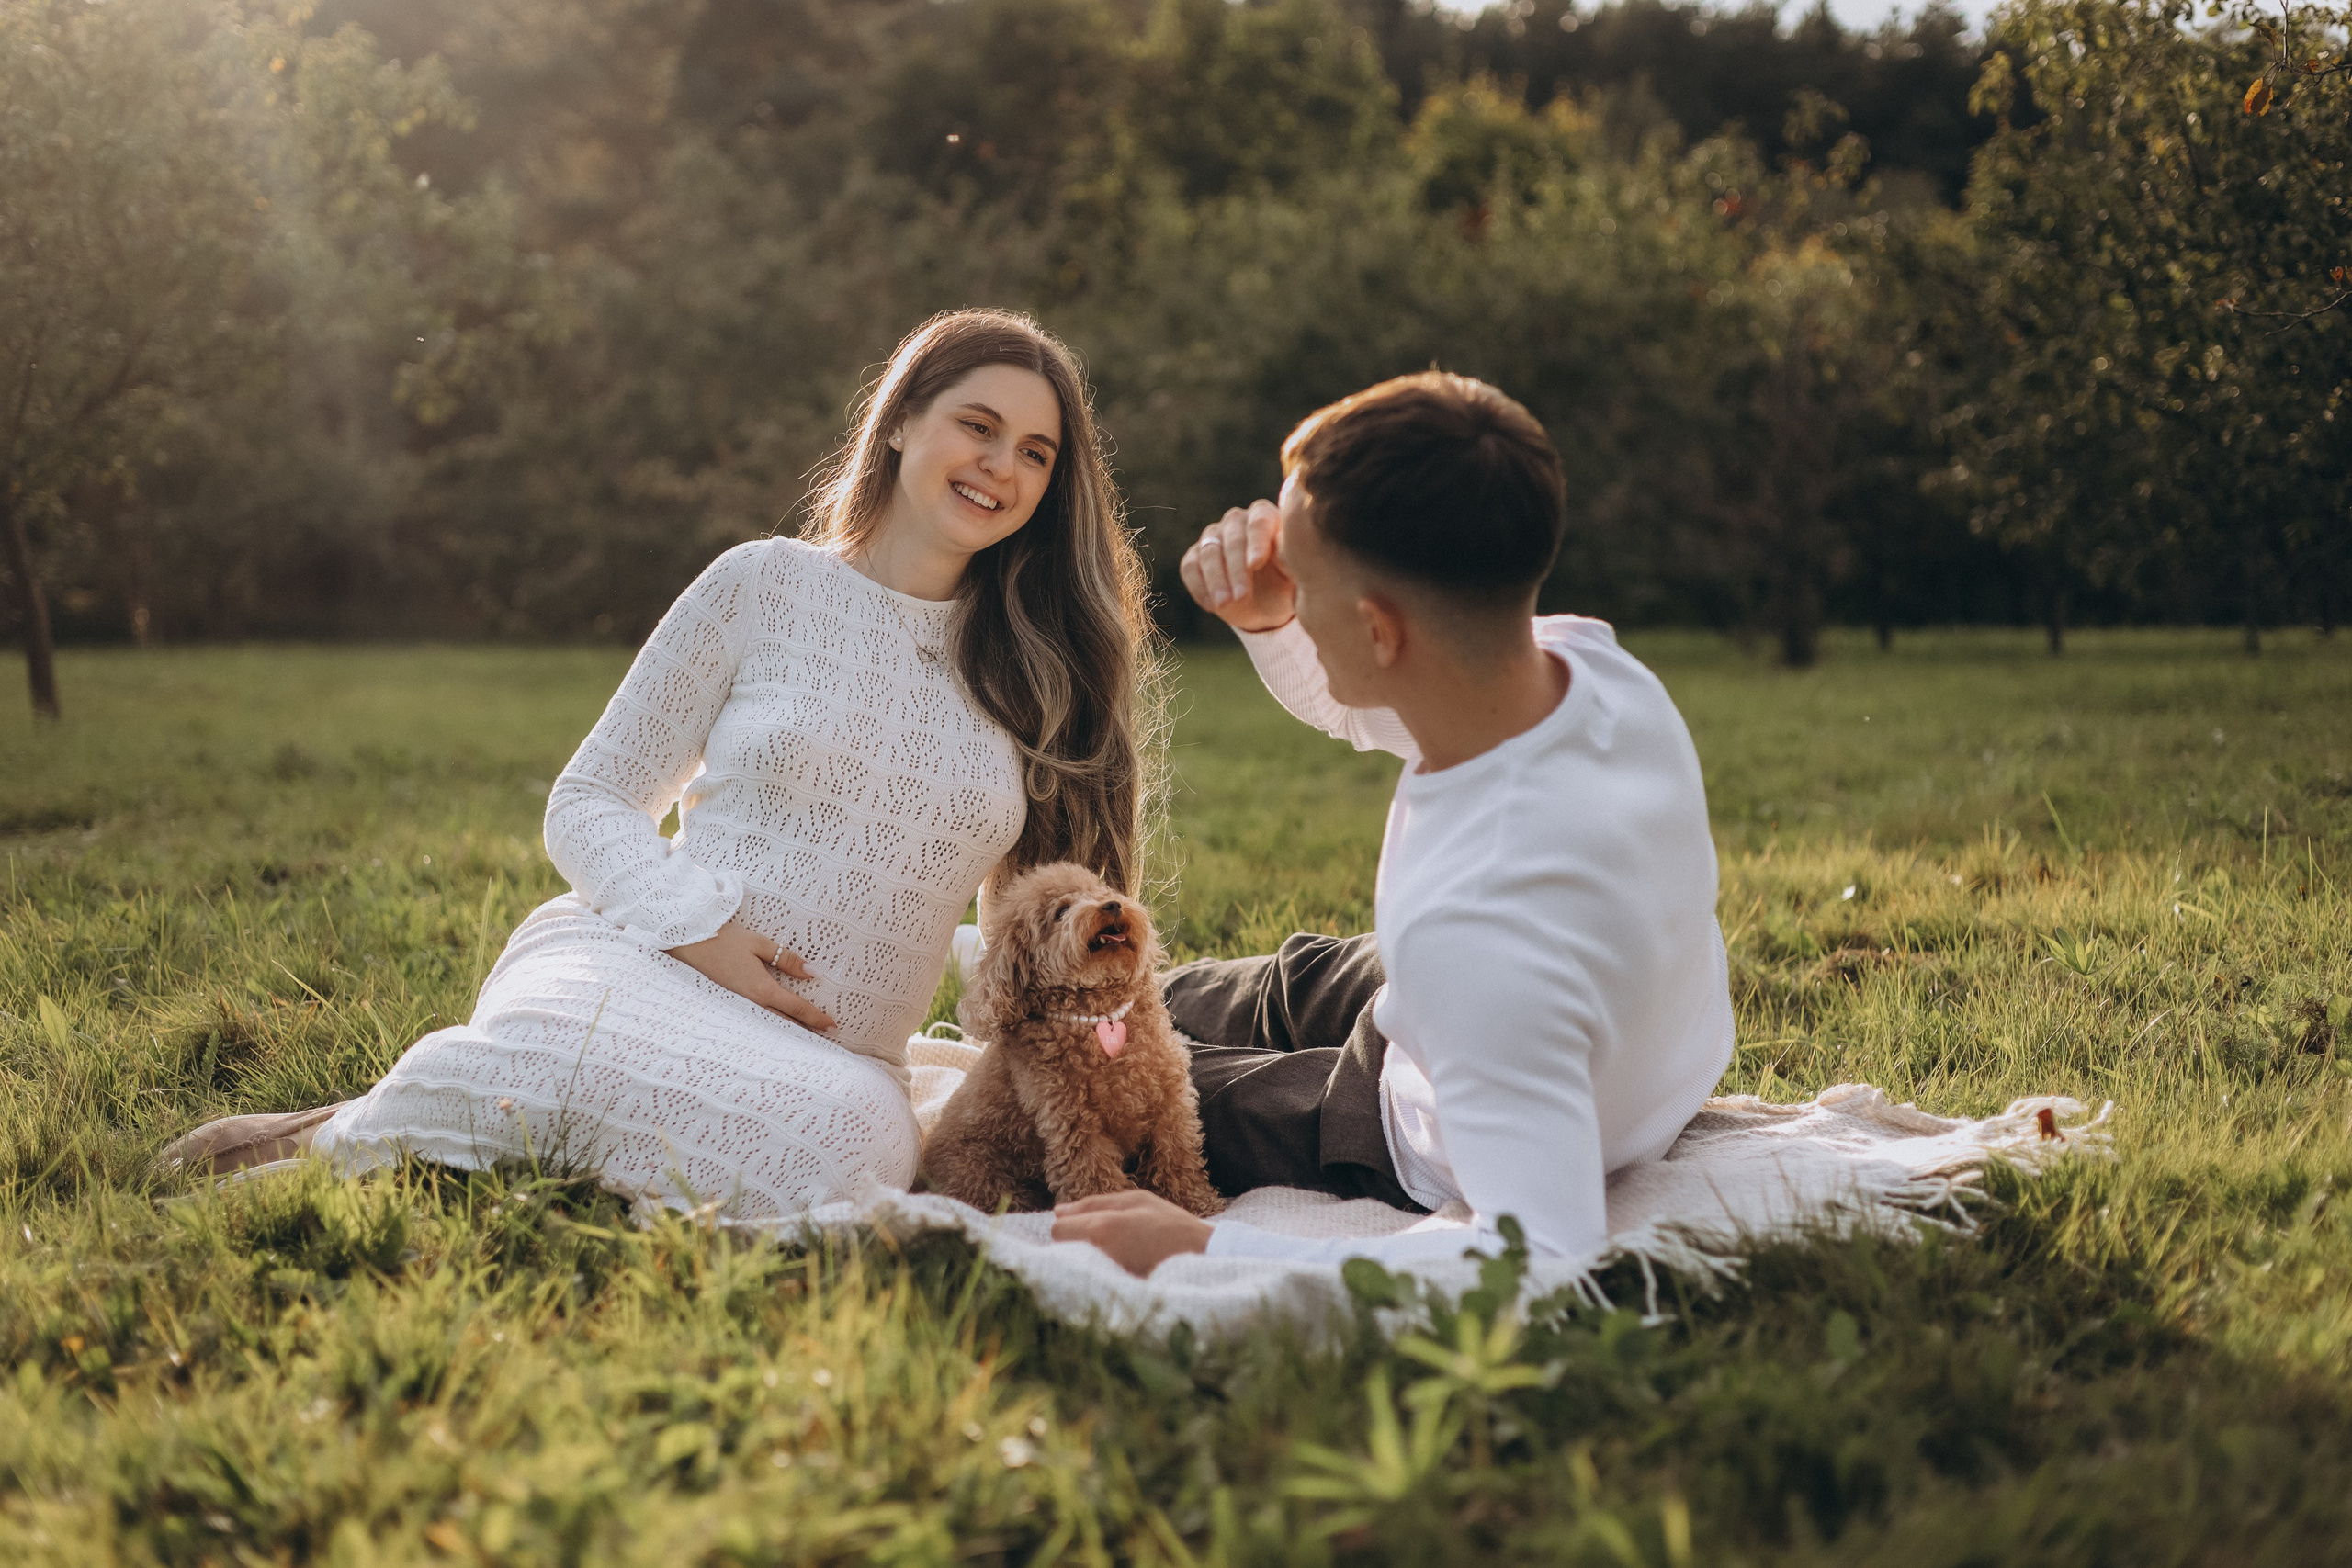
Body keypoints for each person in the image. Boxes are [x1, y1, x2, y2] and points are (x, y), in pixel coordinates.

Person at [163, 309, 1164, 1218]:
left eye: (1035, 453)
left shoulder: (1042, 670)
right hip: (646, 963)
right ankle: (357, 1132)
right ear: (901, 420)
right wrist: (700, 931)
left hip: (832, 1065)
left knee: (850, 1154)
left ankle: (462, 1129)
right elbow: (590, 799)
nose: (1001, 466)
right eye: (978, 426)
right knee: (557, 1046)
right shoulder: (761, 585)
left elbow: (1043, 929)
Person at [1051, 371, 1734, 1275]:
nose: (1283, 585)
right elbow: (1368, 702)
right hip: (1562, 1010)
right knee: (1237, 987)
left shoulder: (1476, 937)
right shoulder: (1593, 671)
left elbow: (1541, 1262)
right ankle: (1046, 986)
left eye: (1299, 578)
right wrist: (1272, 620)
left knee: (1106, 1072)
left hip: (1418, 1111)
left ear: (1378, 629)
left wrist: (1208, 1246)